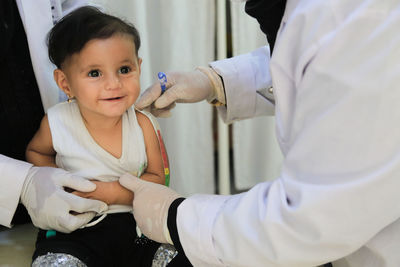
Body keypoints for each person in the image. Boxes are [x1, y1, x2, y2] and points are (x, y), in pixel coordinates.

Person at [119, 0, 400, 266]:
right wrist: (215, 80)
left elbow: (309, 219)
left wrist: (176, 217)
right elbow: (311, 58)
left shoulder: (370, 21)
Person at [24, 6, 186, 267]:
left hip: (138, 228)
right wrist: (54, 180)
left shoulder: (143, 124)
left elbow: (159, 180)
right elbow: (37, 152)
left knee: (179, 257)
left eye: (124, 69)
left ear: (138, 66)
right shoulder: (57, 122)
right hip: (74, 229)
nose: (114, 84)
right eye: (95, 73)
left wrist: (111, 192)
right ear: (65, 84)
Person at [0, 0, 107, 234]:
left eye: (125, 69)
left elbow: (73, 10)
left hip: (53, 201)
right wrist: (22, 184)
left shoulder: (136, 123)